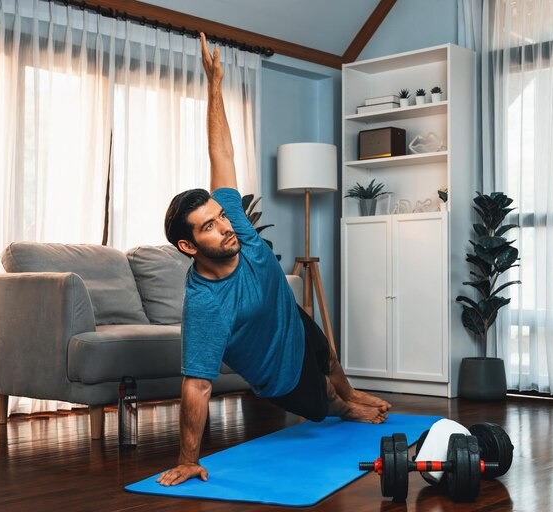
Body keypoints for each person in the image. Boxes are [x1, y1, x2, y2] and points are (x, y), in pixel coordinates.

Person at [156, 33, 391, 487]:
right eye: (208, 226)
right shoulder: (206, 305)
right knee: (323, 406)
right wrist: (188, 458)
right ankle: (344, 404)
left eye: (220, 216)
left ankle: (349, 390)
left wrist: (215, 85)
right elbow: (197, 386)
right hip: (278, 373)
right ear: (188, 246)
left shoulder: (237, 228)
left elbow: (220, 154)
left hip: (292, 322)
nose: (224, 227)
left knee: (331, 358)